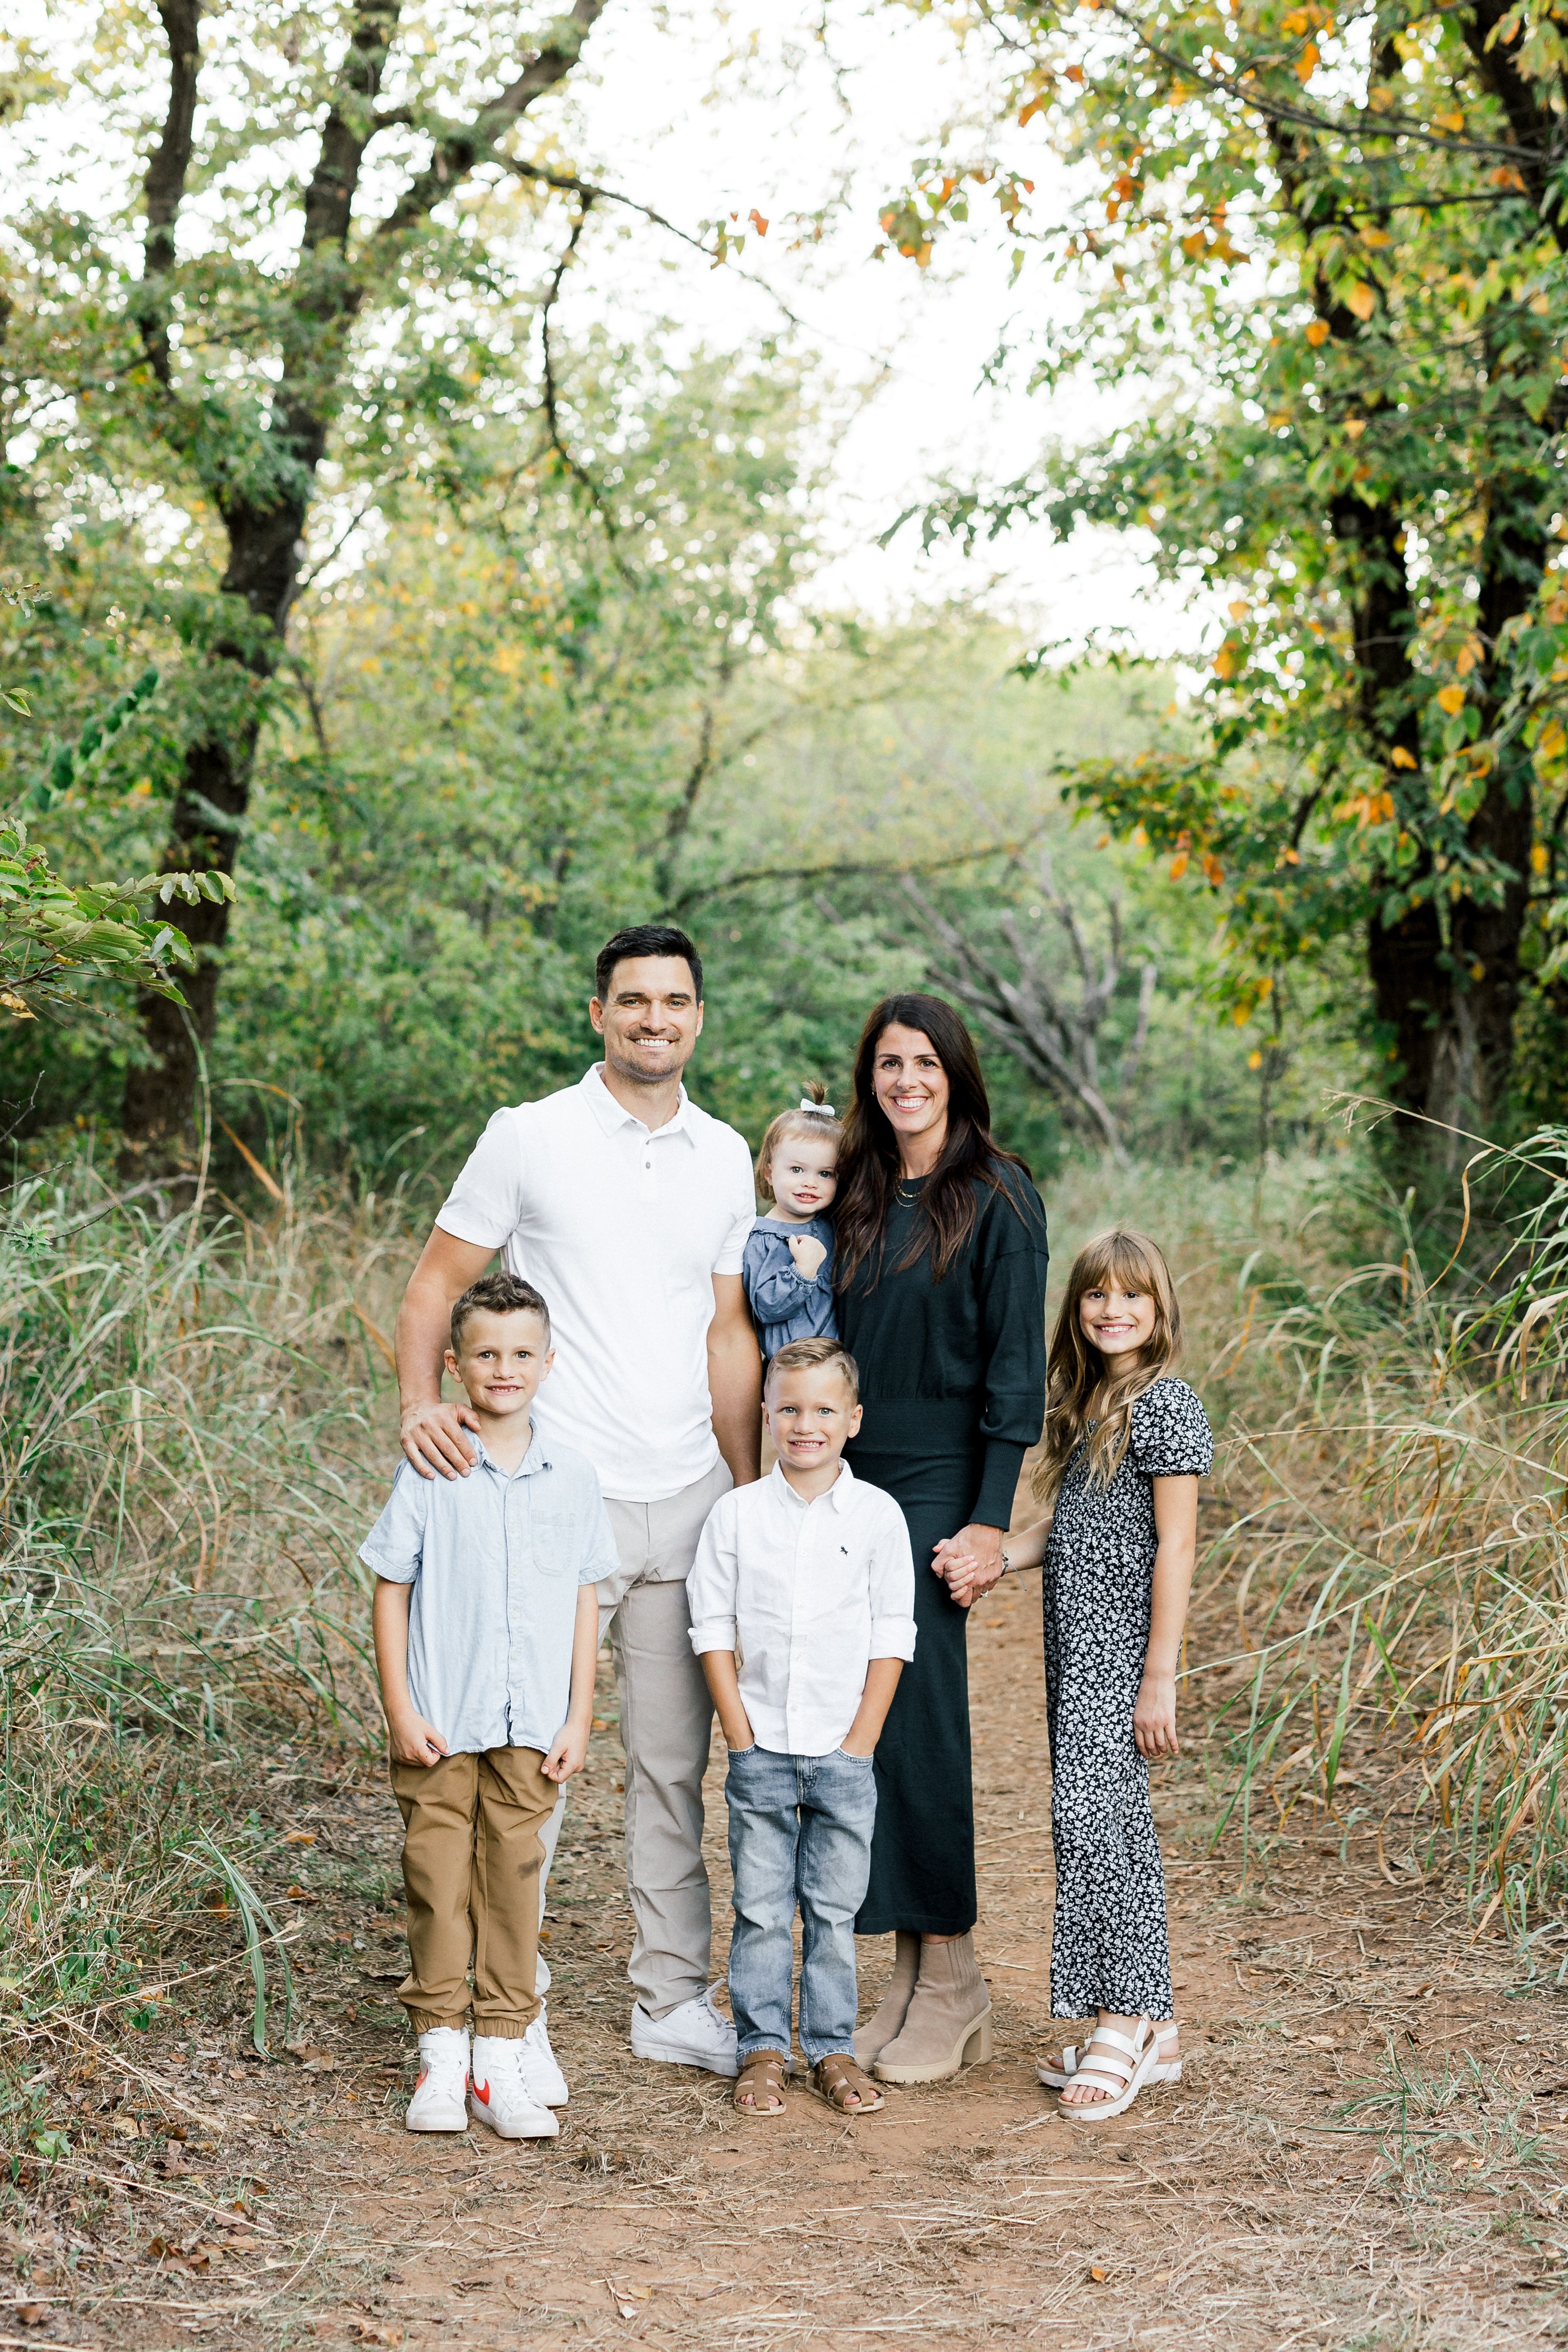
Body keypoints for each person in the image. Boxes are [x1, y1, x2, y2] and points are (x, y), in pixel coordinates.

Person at [392, 924, 762, 2080]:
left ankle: (668, 1998)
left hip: (687, 1494)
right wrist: (418, 1404)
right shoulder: (530, 1135)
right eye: (635, 1000)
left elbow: (728, 1328)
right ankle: (511, 2004)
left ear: (700, 1016)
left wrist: (745, 1489)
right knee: (522, 1764)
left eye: (677, 1001)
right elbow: (435, 1284)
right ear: (598, 1012)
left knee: (669, 1763)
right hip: (552, 1500)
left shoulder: (724, 1151)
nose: (656, 1018)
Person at [945, 1228, 1211, 2122]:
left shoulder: (1165, 1404)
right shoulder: (1089, 1400)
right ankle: (1157, 2026)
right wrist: (987, 1560)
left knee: (1097, 1823)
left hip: (1122, 1652)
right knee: (1103, 1820)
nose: (1112, 1310)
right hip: (1074, 1648)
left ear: (1158, 1308)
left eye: (1132, 1295)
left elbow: (1175, 1543)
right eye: (1096, 1295)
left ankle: (1122, 2017)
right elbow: (1063, 1531)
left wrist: (1159, 1674)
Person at [834, 993, 1050, 2087]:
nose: (905, 1079)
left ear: (956, 1073)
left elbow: (1017, 1373)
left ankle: (957, 1970)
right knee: (861, 1725)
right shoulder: (859, 1192)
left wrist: (988, 1518)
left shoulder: (999, 1193)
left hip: (934, 1492)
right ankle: (912, 1977)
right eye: (887, 1062)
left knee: (917, 1719)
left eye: (923, 1062)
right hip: (846, 1483)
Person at [364, 1272, 614, 2140]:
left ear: (549, 1362)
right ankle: (440, 2047)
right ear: (454, 1364)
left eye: (521, 1353)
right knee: (436, 1878)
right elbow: (390, 1587)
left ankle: (501, 2053)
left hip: (533, 1723)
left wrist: (580, 1714)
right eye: (486, 1354)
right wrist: (400, 1705)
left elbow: (586, 1600)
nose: (504, 1367)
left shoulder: (573, 1477)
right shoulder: (431, 1468)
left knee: (514, 1882)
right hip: (441, 1714)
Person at [687, 1337, 915, 2120]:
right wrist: (739, 1733)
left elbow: (892, 1634)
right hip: (762, 1749)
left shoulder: (878, 1516)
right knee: (758, 1904)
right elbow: (711, 1627)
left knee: (832, 1907)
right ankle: (760, 2047)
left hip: (842, 1752)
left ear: (852, 1419)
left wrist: (861, 1741)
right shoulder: (737, 1514)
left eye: (822, 1409)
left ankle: (828, 2046)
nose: (804, 1423)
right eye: (788, 1407)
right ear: (765, 1414)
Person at [741, 1087, 841, 1357]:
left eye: (825, 1173)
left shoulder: (833, 1226)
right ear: (769, 1172)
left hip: (837, 1365)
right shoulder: (762, 1237)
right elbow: (766, 1307)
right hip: (792, 1368)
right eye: (797, 1170)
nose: (810, 1182)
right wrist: (803, 1271)